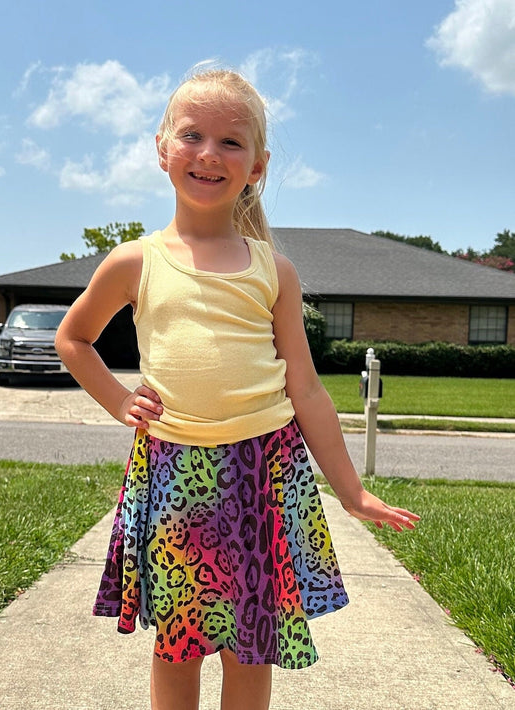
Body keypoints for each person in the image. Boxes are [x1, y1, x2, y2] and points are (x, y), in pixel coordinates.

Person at [55, 67, 419, 710]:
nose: (209, 154)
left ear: (257, 166)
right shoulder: (134, 262)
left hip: (264, 470)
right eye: (192, 134)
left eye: (231, 142)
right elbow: (73, 339)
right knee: (179, 642)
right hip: (172, 472)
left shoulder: (273, 270)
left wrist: (352, 491)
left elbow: (305, 390)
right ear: (162, 148)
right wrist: (117, 399)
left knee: (252, 644)